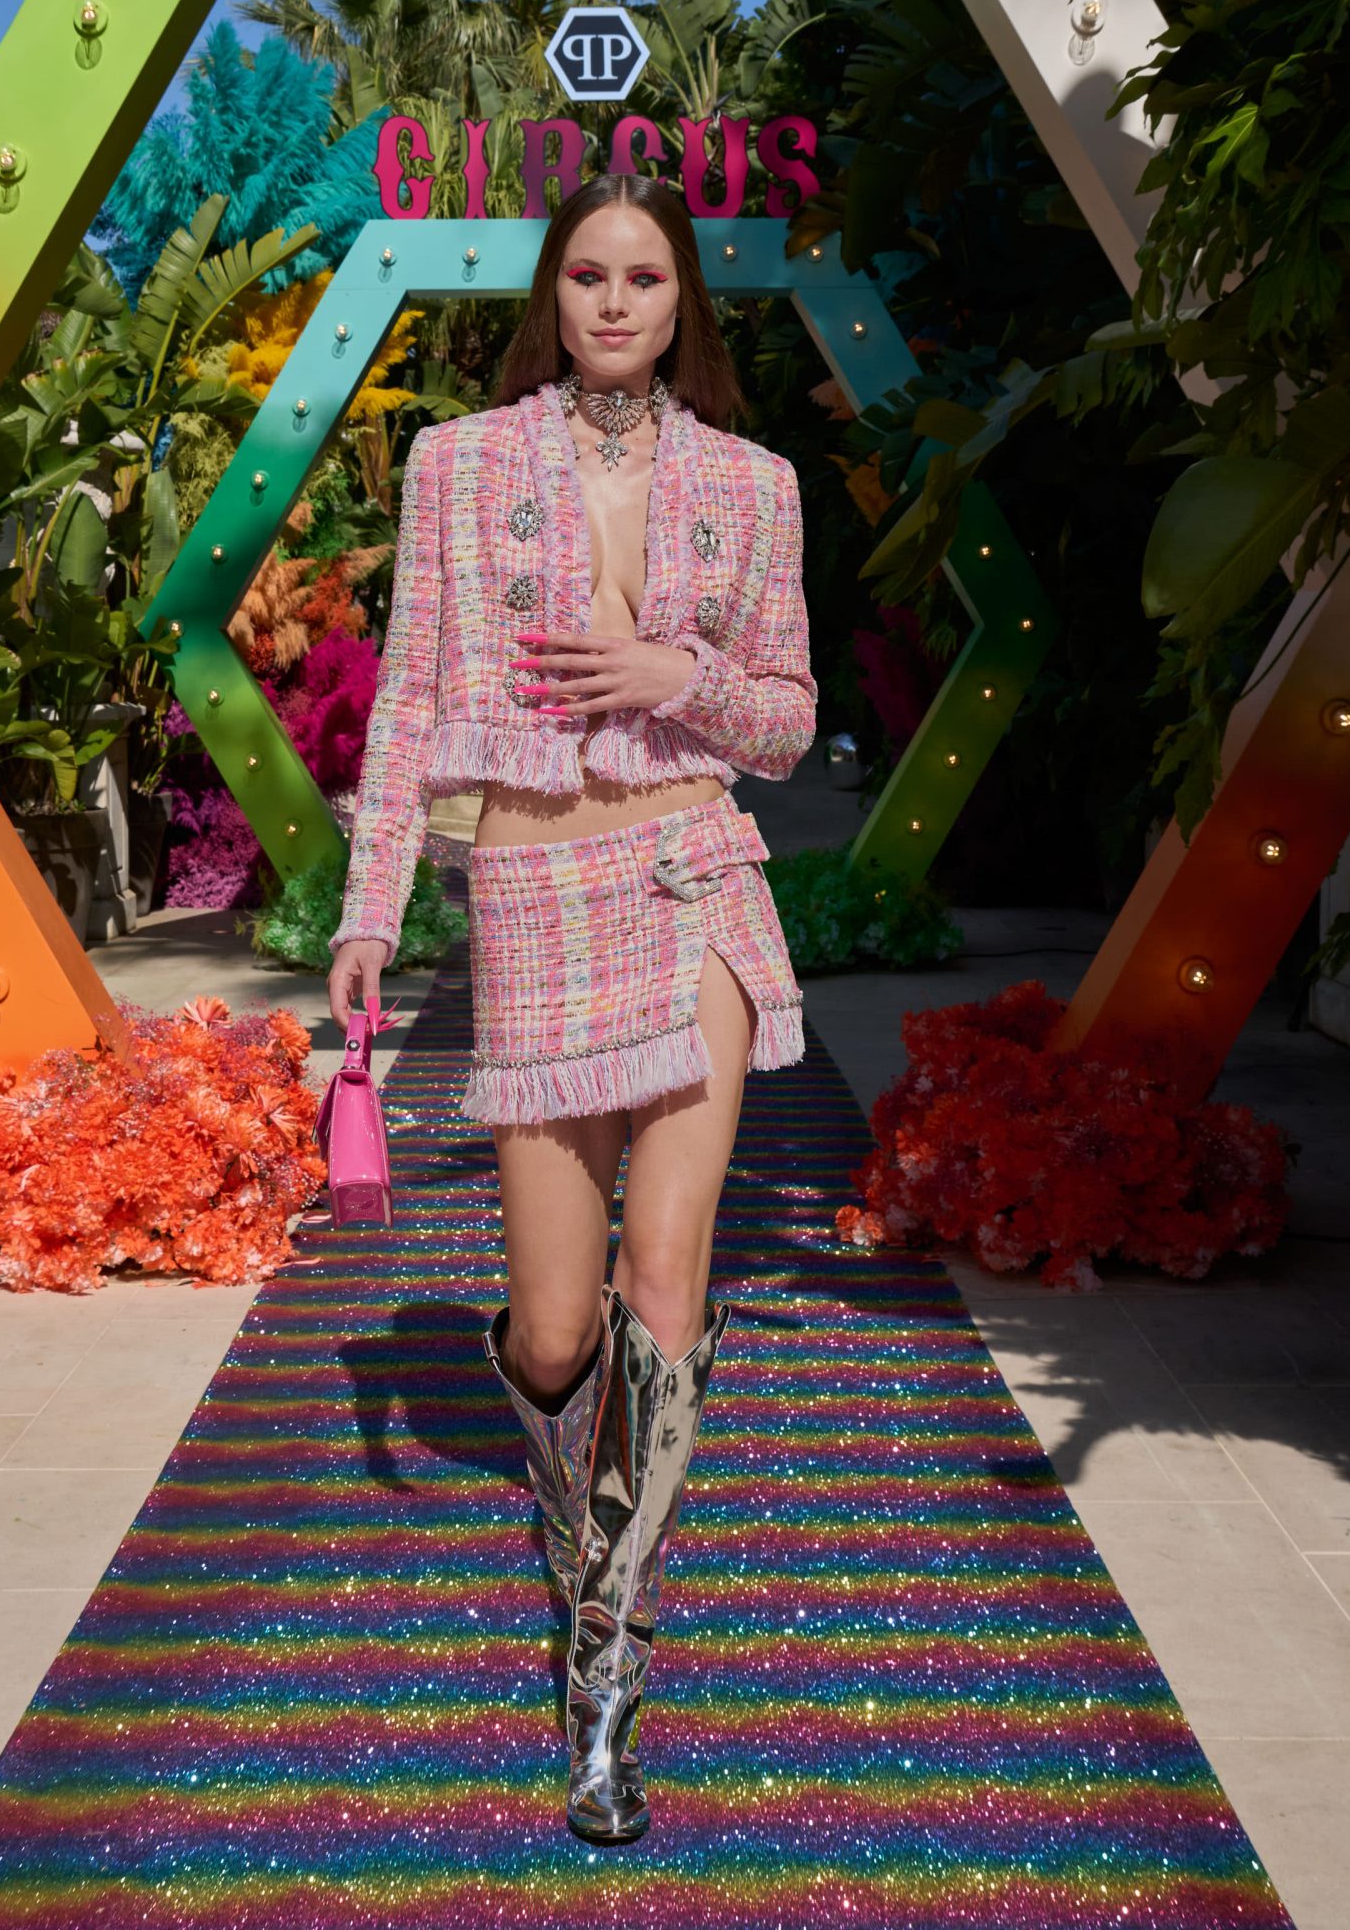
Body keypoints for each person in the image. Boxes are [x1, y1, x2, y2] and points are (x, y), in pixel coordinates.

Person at [328, 171, 815, 1844]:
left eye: (647, 279)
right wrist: (372, 908)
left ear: (684, 305)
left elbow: (787, 721)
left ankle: (608, 1651)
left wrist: (681, 678)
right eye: (590, 275)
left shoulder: (755, 485)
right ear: (554, 291)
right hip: (532, 902)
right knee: (553, 1331)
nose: (616, 303)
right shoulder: (458, 465)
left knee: (664, 1284)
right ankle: (574, 1521)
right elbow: (409, 697)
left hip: (692, 880)